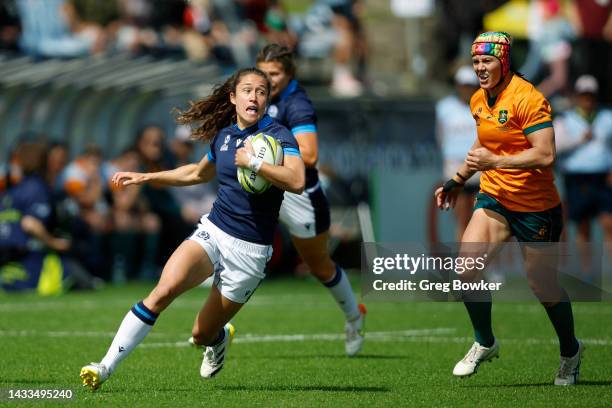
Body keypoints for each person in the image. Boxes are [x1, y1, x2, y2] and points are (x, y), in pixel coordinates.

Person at [80, 67, 305, 390]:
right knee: (163, 291)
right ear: (233, 97)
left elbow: (296, 181)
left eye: (260, 91)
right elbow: (197, 174)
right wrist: (147, 177)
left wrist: (255, 164)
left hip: (251, 251)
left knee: (200, 334)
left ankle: (217, 339)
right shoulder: (225, 137)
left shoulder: (279, 136)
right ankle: (104, 367)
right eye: (247, 90)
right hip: (214, 230)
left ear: (267, 99)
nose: (253, 96)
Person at [435, 32, 583, 385]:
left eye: (487, 61)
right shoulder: (477, 99)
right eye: (476, 62)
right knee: (466, 269)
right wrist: (457, 180)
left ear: (503, 61)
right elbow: (482, 145)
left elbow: (546, 154)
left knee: (543, 287)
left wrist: (495, 160)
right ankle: (484, 341)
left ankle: (570, 351)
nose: (480, 68)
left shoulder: (528, 98)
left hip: (536, 207)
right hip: (495, 199)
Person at [256, 43, 366, 357]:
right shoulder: (255, 96)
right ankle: (214, 326)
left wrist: (263, 158)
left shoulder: (297, 104)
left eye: (274, 73)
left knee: (319, 266)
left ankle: (354, 316)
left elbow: (310, 155)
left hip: (298, 193)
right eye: (263, 73)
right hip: (263, 185)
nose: (268, 79)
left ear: (288, 74)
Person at [554, 75, 612, 260]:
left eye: (590, 95)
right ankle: (587, 271)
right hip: (576, 177)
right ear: (577, 96)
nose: (587, 99)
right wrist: (579, 140)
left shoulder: (607, 117)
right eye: (583, 95)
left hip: (603, 176)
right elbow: (555, 146)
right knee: (583, 225)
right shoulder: (565, 119)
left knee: (608, 222)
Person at [434, 65, 481, 241]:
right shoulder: (445, 107)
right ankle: (465, 264)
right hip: (455, 166)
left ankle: (483, 265)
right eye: (463, 85)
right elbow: (440, 135)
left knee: (481, 219)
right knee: (461, 219)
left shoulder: (483, 106)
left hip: (478, 167)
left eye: (470, 85)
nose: (466, 89)